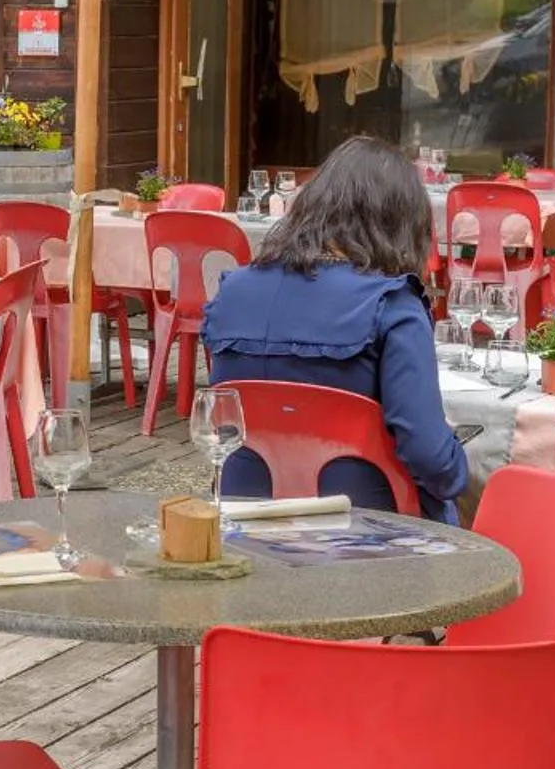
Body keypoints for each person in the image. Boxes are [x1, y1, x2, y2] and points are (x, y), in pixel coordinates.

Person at [200, 137, 468, 523]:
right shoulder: (392, 304)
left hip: (244, 513)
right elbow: (427, 453)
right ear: (400, 223)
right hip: (365, 526)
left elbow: (224, 416)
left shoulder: (234, 290)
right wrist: (461, 469)